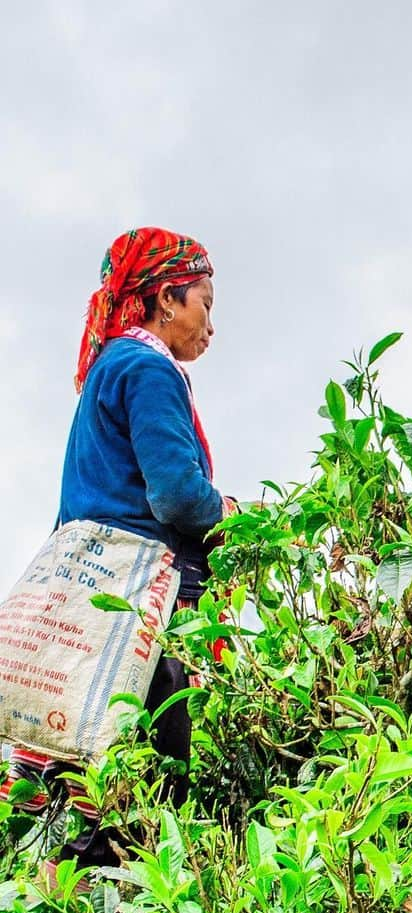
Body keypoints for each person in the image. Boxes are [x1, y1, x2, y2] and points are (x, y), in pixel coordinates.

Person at [0, 227, 236, 876]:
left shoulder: (108, 368)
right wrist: (238, 516)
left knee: (91, 790)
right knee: (149, 787)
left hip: (91, 608)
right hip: (140, 608)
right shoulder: (151, 369)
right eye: (205, 303)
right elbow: (179, 497)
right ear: (166, 298)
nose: (211, 324)